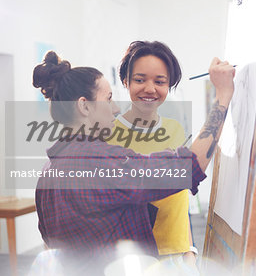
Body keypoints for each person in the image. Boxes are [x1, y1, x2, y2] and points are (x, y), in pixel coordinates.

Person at [32, 51, 235, 274]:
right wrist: (223, 96)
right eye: (108, 99)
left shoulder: (48, 172)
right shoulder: (99, 163)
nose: (116, 108)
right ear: (85, 106)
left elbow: (51, 245)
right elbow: (189, 167)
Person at [107, 41, 196, 265]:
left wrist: (189, 250)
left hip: (177, 256)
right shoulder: (108, 134)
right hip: (134, 258)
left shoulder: (175, 130)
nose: (149, 88)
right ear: (125, 81)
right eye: (139, 79)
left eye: (159, 81)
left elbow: (180, 198)